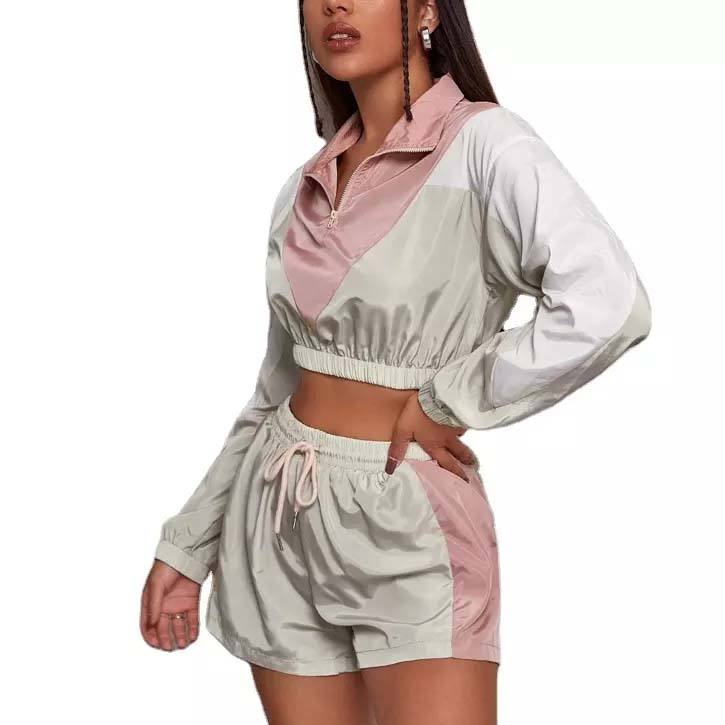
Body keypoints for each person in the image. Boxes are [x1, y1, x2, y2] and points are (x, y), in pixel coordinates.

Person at [139, 1, 652, 723]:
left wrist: (449, 399)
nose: (335, 4)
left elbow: (609, 303)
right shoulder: (304, 187)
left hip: (405, 514)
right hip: (274, 509)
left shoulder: (486, 146)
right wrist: (189, 542)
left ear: (427, 10)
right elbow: (277, 387)